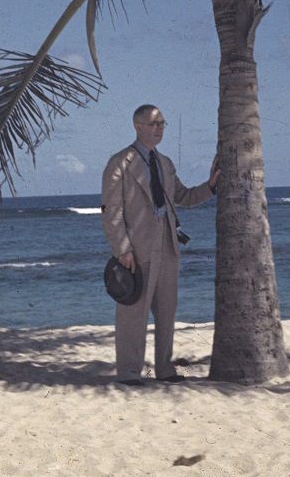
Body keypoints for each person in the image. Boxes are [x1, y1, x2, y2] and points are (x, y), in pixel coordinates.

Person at [101, 104, 220, 385]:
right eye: (153, 124)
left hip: (167, 245)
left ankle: (165, 369)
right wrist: (122, 248)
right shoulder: (120, 162)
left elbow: (184, 197)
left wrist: (211, 185)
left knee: (166, 313)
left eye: (162, 124)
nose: (159, 129)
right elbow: (111, 211)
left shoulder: (164, 163)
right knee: (133, 313)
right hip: (137, 248)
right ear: (137, 126)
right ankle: (129, 372)